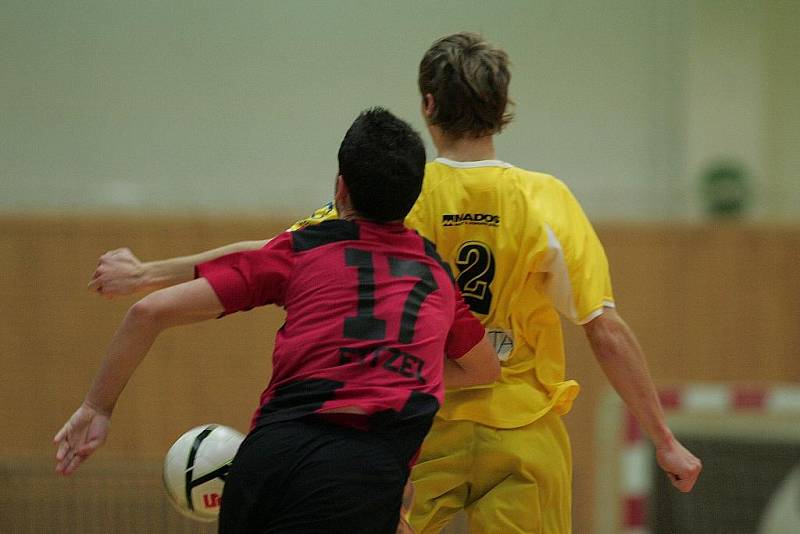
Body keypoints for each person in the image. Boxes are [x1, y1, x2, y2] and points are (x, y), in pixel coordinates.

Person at [88, 33, 702, 533]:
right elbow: (606, 330)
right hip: (523, 427)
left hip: (415, 427)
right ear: (502, 105)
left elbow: (275, 253)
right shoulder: (547, 201)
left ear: (428, 105)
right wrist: (664, 438)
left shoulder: (403, 187)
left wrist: (151, 272)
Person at [55, 107, 501, 534]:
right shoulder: (436, 276)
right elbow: (483, 367)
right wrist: (399, 367)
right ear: (413, 196)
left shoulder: (304, 249)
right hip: (360, 473)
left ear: (340, 188)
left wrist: (97, 407)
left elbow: (148, 312)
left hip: (266, 460)